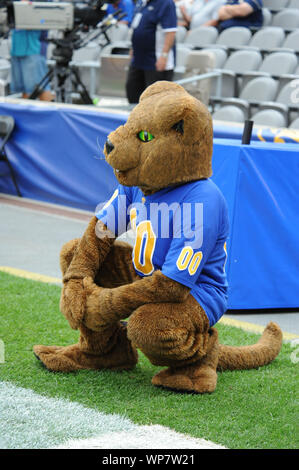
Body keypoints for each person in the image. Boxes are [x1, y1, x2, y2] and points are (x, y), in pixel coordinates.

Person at [125, 0, 177, 104]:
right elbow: (136, 27)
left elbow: (170, 32)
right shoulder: (141, 3)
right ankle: (136, 118)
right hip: (139, 59)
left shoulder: (166, 3)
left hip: (156, 59)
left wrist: (164, 56)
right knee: (132, 90)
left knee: (155, 100)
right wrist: (133, 48)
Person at [10, 29, 53, 101]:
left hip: (34, 49)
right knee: (25, 89)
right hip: (17, 49)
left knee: (41, 87)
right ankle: (26, 112)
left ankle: (48, 112)